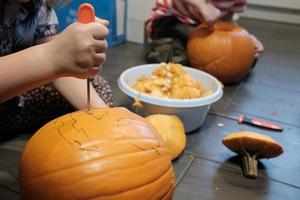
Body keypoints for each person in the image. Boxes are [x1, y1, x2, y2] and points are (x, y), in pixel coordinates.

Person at [0, 0, 113, 133]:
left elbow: (62, 65)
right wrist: (51, 55)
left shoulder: (38, 5)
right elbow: (53, 58)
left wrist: (102, 115)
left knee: (98, 88)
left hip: (16, 101)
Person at [146, 0, 264, 64]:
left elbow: (227, 22)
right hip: (171, 20)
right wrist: (201, 5)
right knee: (171, 60)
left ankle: (189, 52)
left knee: (245, 58)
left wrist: (245, 39)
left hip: (202, 27)